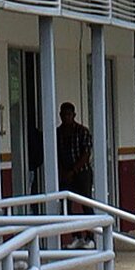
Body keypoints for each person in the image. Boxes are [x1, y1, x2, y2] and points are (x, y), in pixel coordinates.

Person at [56, 103, 94, 244]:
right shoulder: (58, 133)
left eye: (69, 114)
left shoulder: (82, 131)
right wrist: (62, 172)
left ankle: (90, 237)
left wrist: (74, 170)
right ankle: (76, 236)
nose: (66, 117)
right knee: (66, 205)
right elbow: (57, 154)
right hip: (65, 174)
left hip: (82, 173)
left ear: (74, 115)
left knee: (86, 204)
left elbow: (86, 154)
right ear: (60, 115)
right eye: (64, 115)